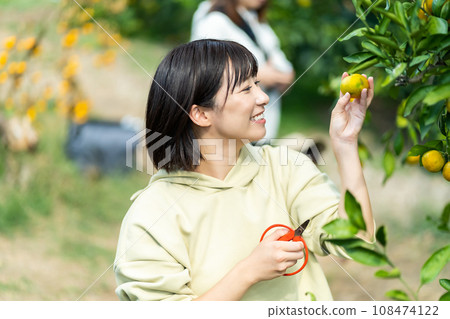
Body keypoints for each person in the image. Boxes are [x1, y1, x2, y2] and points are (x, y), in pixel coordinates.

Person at [114, 39, 375, 301]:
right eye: (245, 89)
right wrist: (248, 272)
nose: (263, 97)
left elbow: (355, 241)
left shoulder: (285, 169)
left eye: (257, 84)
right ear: (201, 114)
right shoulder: (153, 215)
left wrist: (345, 144)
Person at [191, 0, 295, 141]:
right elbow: (206, 69)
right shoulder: (214, 21)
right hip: (231, 133)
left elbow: (286, 72)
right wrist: (261, 75)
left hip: (263, 126)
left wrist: (273, 76)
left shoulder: (257, 22)